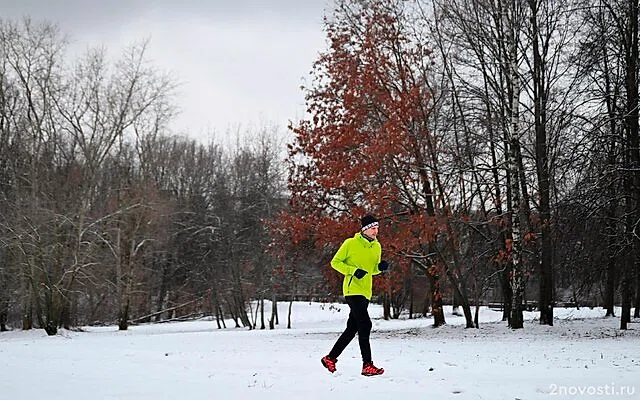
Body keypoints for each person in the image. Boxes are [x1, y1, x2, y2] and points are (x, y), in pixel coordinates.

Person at [321, 214, 390, 376]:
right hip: (352, 290)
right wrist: (353, 271)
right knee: (365, 325)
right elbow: (335, 262)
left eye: (377, 228)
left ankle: (330, 358)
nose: (376, 231)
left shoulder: (377, 247)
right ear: (365, 229)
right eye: (373, 228)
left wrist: (380, 267)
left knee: (352, 329)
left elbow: (371, 270)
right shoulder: (350, 243)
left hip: (366, 291)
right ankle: (367, 365)